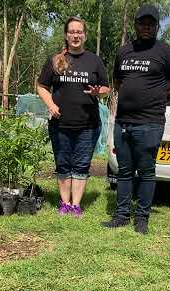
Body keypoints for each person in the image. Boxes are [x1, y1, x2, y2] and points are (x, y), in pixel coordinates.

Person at [102, 4, 170, 234]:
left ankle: (142, 219)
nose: (146, 27)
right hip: (123, 122)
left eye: (151, 23)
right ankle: (121, 215)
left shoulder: (166, 52)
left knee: (146, 171)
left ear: (157, 26)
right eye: (142, 23)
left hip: (150, 123)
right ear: (135, 25)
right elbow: (117, 82)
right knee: (124, 170)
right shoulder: (124, 51)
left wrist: (160, 98)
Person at [37, 16, 110, 217]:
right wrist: (51, 105)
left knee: (81, 164)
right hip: (60, 123)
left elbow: (106, 88)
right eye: (72, 32)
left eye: (79, 32)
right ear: (66, 35)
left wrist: (99, 92)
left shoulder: (94, 60)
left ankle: (76, 205)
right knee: (63, 163)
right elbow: (42, 86)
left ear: (85, 35)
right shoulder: (55, 60)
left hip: (88, 124)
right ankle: (64, 203)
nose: (75, 35)